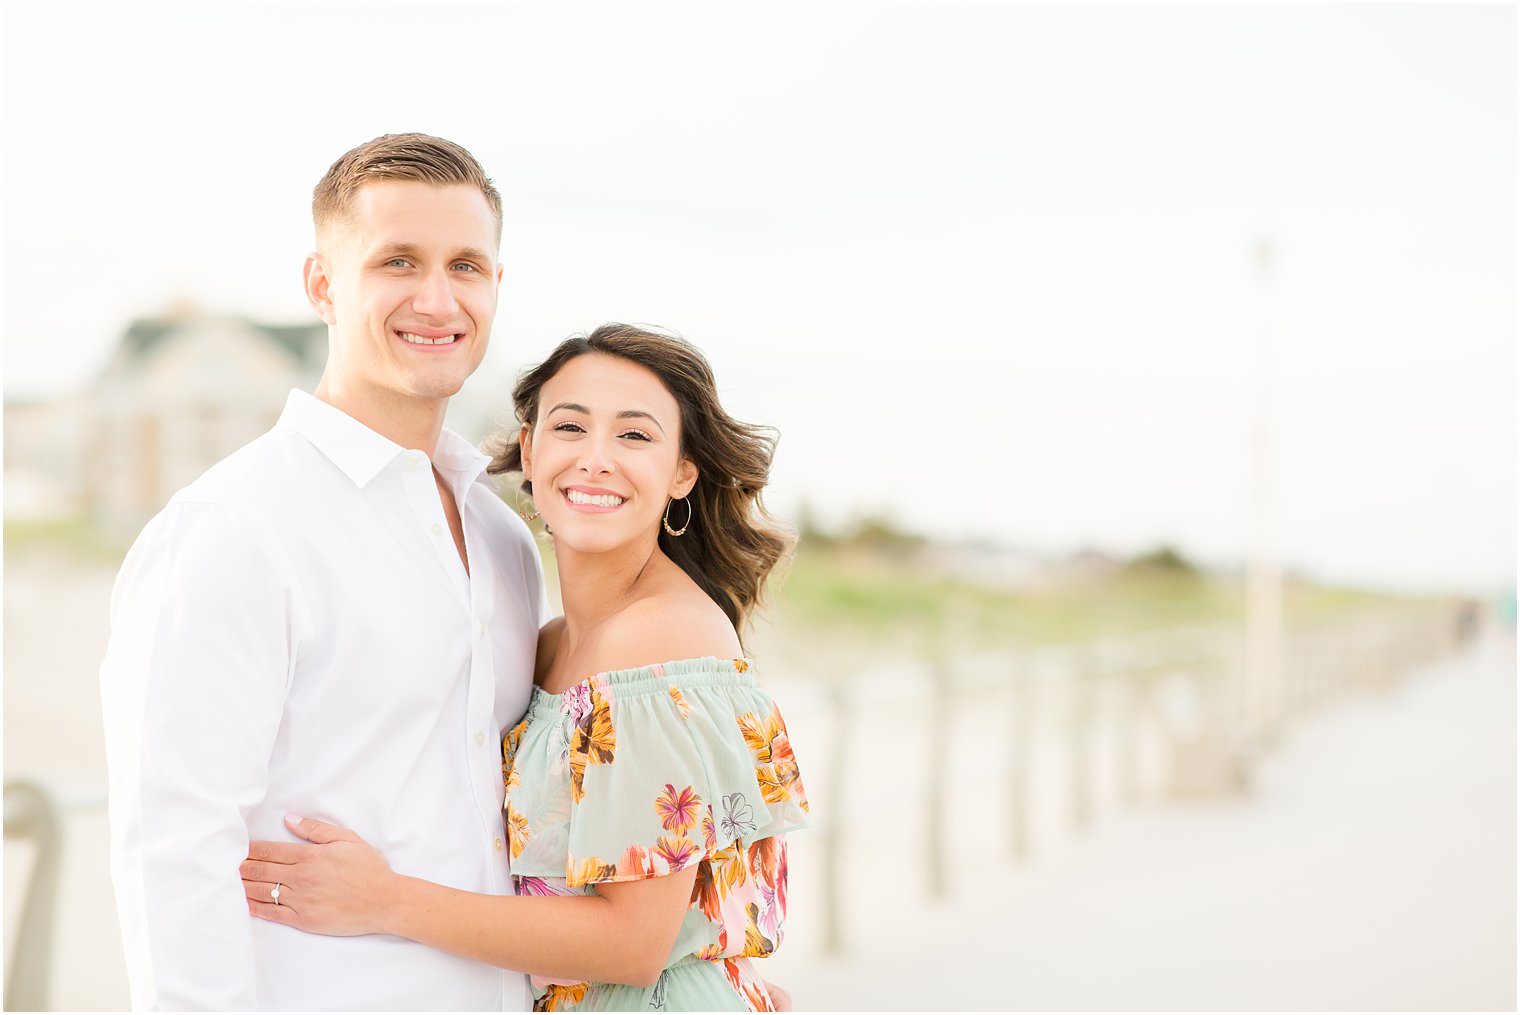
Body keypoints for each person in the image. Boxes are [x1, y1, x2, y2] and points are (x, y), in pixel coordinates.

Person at [237, 325, 810, 1011]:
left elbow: (633, 943)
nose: (596, 459)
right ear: (531, 452)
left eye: (634, 435)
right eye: (571, 427)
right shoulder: (551, 642)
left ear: (682, 471)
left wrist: (385, 900)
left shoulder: (661, 638)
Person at [99, 134, 546, 1010]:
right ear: (321, 285)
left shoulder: (504, 536)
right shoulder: (236, 528)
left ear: (496, 285)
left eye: (465, 265)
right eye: (397, 261)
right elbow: (174, 848)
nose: (437, 297)